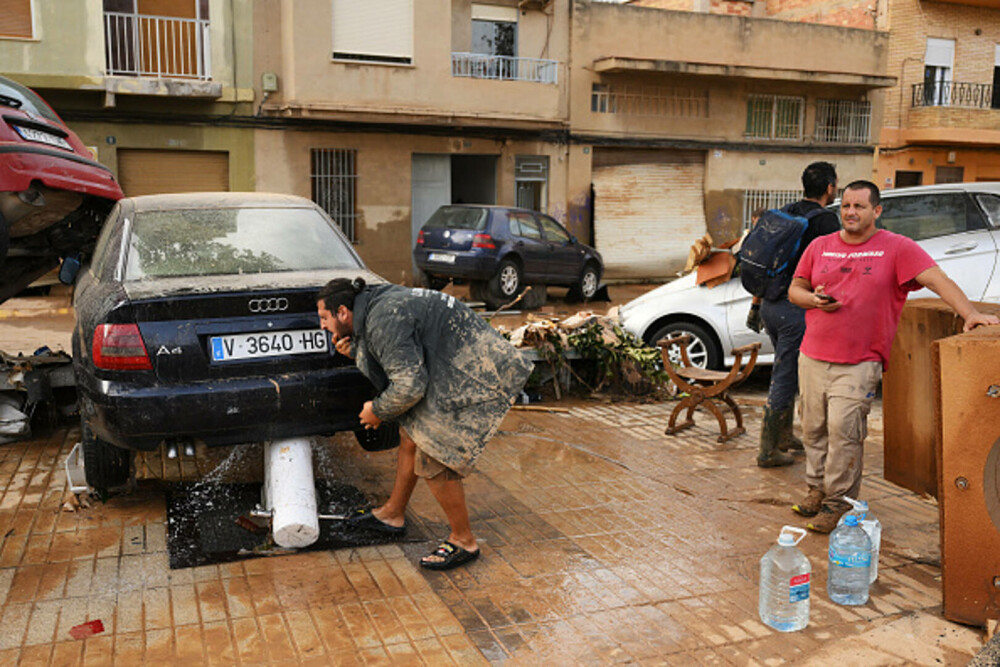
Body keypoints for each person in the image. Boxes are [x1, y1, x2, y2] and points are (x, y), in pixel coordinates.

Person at [787, 180, 999, 533]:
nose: (851, 213)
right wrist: (812, 300)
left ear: (877, 211)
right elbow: (796, 288)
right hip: (812, 355)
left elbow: (937, 280)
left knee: (845, 432)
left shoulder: (897, 248)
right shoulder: (820, 246)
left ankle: (838, 503)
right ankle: (816, 488)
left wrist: (970, 314)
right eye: (846, 206)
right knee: (813, 428)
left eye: (859, 206)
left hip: (859, 361)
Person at [316, 277, 533, 569]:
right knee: (410, 434)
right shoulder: (374, 304)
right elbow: (396, 356)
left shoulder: (383, 318)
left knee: (432, 451)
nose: (322, 326)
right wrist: (355, 352)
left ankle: (463, 540)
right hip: (455, 362)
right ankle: (393, 513)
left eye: (324, 318)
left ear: (343, 312)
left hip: (476, 369)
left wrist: (377, 410)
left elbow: (409, 387)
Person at [748, 162, 842, 468]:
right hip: (795, 308)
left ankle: (784, 437)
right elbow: (833, 268)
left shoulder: (786, 211)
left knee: (784, 368)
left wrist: (756, 304)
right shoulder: (826, 221)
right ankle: (767, 450)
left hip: (772, 306)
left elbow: (767, 261)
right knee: (786, 375)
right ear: (830, 187)